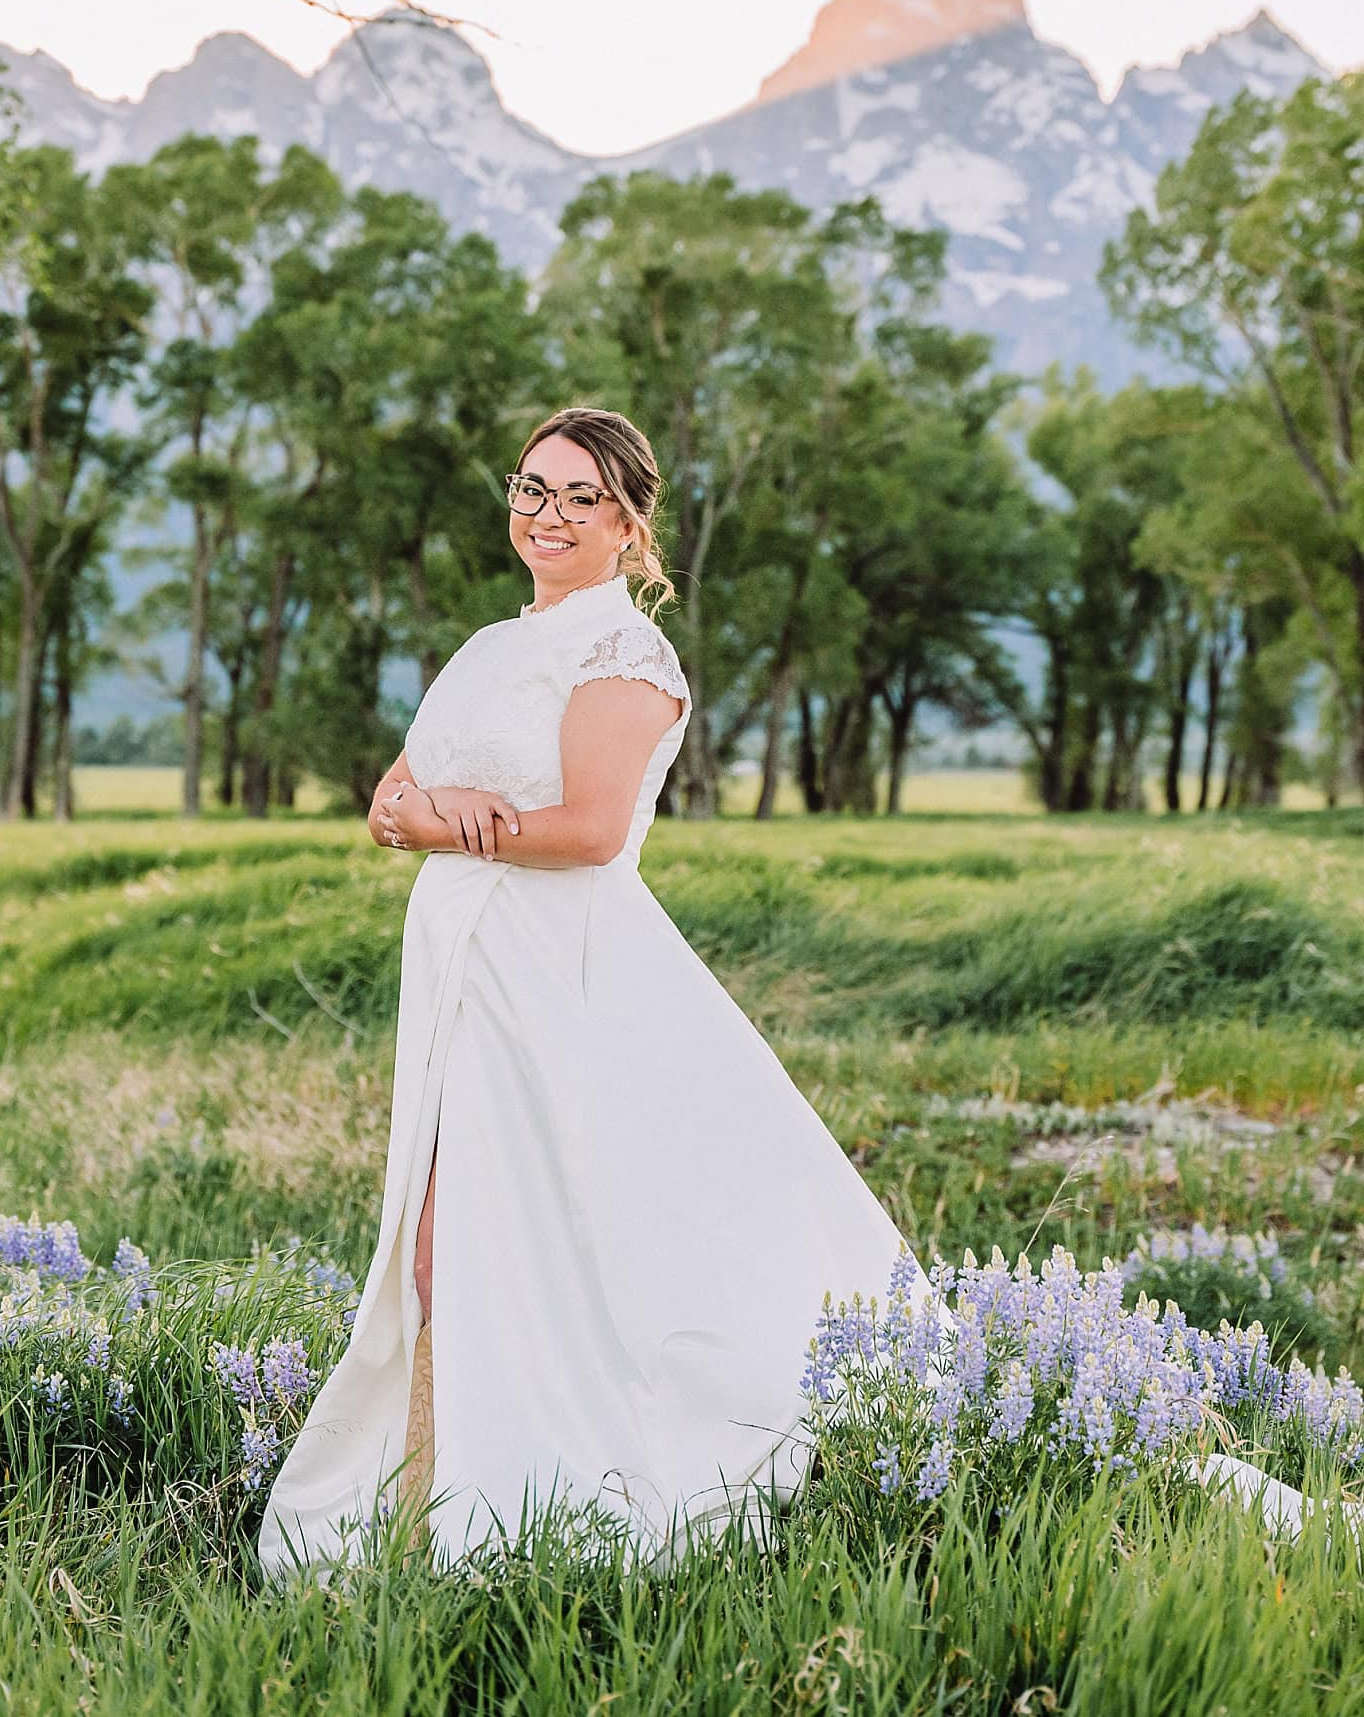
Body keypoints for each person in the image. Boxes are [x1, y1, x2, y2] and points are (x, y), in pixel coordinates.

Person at [258, 405, 926, 1578]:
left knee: (546, 1228)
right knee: (439, 1238)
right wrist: (436, 812)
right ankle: (427, 1496)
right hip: (464, 969)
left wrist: (453, 825)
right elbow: (386, 803)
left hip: (557, 973)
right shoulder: (486, 647)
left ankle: (558, 1484)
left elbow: (589, 831)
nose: (548, 515)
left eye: (580, 498)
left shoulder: (625, 653)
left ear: (627, 523)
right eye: (532, 489)